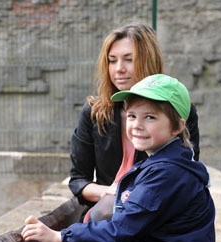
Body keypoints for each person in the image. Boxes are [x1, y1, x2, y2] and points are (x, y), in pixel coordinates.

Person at [21, 74, 216, 242]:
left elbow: (122, 229)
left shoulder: (167, 173)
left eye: (150, 117)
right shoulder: (169, 161)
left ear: (177, 127)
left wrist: (60, 237)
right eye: (132, 116)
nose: (137, 125)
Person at [69, 23, 200, 221]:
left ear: (148, 61)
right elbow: (78, 180)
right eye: (112, 61)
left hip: (156, 220)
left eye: (128, 60)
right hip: (103, 220)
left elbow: (188, 174)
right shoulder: (94, 112)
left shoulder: (181, 111)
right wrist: (109, 192)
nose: (119, 69)